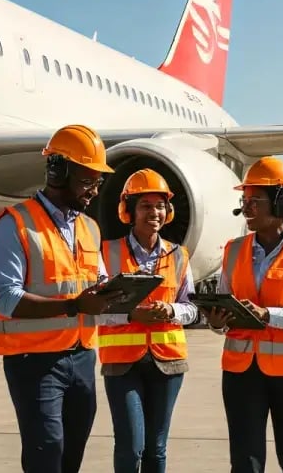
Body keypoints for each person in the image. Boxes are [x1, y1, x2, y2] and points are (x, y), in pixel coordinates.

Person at [0, 123, 123, 473]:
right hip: (34, 362)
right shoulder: (14, 224)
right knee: (47, 451)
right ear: (59, 171)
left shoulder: (90, 227)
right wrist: (76, 306)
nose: (94, 190)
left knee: (71, 452)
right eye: (88, 180)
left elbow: (98, 279)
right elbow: (4, 298)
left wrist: (118, 292)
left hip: (81, 358)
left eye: (98, 181)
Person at [201, 156, 283, 473]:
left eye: (254, 201)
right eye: (244, 201)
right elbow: (225, 305)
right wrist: (216, 323)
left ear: (282, 203)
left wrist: (268, 314)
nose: (246, 208)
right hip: (242, 371)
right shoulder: (232, 251)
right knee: (245, 461)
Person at [96, 168, 197, 473]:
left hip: (168, 362)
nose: (154, 212)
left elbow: (191, 308)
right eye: (145, 206)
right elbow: (96, 307)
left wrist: (171, 311)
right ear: (128, 210)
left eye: (160, 206)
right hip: (122, 362)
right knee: (130, 445)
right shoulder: (107, 253)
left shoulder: (179, 255)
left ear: (168, 211)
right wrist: (131, 314)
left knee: (156, 448)